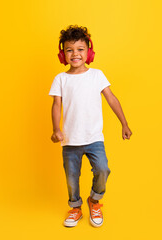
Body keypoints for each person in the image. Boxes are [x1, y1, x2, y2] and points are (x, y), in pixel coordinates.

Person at [49, 25, 132, 228]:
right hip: (70, 140)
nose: (75, 54)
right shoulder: (60, 79)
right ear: (63, 54)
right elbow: (56, 104)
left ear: (89, 51)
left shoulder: (97, 75)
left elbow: (111, 98)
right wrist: (56, 130)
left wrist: (124, 123)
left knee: (102, 169)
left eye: (80, 49)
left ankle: (94, 201)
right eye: (69, 50)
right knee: (71, 178)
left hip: (94, 138)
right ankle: (75, 207)